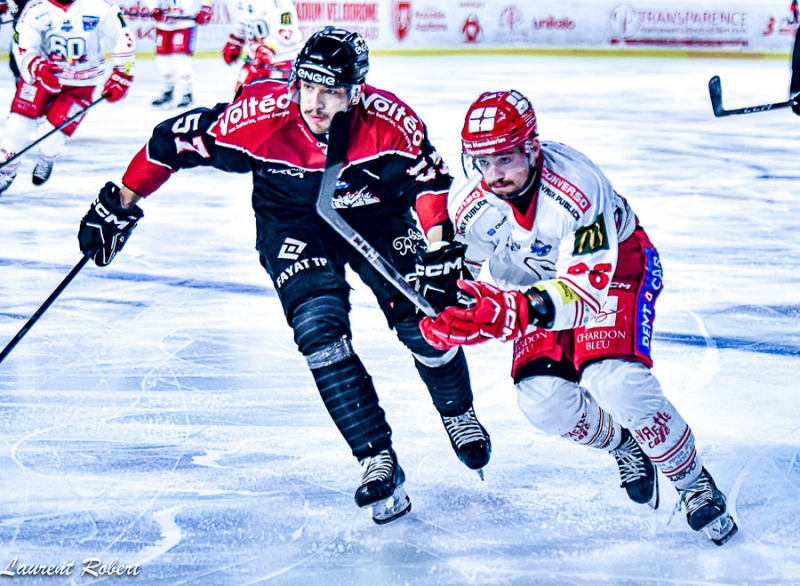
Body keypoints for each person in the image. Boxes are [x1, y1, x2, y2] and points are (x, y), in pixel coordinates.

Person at [75, 26, 491, 524]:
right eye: (307, 87)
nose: (315, 103)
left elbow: (430, 182)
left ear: (355, 92)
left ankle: (457, 410)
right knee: (318, 331)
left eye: (331, 92)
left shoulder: (389, 122)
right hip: (294, 224)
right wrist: (122, 200)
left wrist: (441, 247)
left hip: (376, 217)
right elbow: (170, 143)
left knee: (425, 321)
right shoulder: (256, 119)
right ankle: (375, 458)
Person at [420, 89, 739, 546]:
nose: (494, 174)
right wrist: (444, 305)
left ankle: (692, 483)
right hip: (536, 286)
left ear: (532, 147)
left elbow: (584, 294)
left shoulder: (578, 188)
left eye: (506, 158)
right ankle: (625, 445)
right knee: (543, 404)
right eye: (483, 162)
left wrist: (504, 311)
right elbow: (464, 276)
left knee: (616, 381)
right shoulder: (469, 201)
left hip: (615, 272)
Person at [0, 0, 135, 195]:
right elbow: (22, 44)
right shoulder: (36, 7)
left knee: (51, 140)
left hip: (81, 84)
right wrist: (38, 67)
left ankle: (47, 159)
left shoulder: (99, 6)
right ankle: (5, 170)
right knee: (17, 128)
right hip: (41, 79)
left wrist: (123, 73)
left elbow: (123, 37)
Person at [222, 0, 303, 93]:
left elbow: (288, 33)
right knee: (240, 98)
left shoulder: (279, 3)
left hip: (280, 63)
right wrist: (235, 41)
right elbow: (244, 20)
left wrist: (268, 49)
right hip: (254, 61)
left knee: (278, 101)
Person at [147, 0, 213, 109]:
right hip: (164, 25)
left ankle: (187, 93)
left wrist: (206, 8)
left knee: (181, 59)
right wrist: (154, 8)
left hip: (185, 25)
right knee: (163, 60)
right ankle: (167, 91)